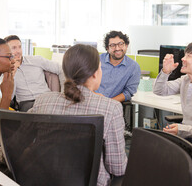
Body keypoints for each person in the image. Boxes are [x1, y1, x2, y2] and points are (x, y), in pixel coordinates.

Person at [29, 44, 127, 186]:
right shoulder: (111, 108)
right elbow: (117, 168)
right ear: (95, 73)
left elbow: (16, 141)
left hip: (45, 179)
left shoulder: (43, 100)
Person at [153, 40, 192, 164]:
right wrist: (165, 72)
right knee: (155, 150)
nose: (183, 59)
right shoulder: (185, 80)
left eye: (188, 56)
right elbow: (159, 91)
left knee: (165, 159)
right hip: (187, 137)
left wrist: (182, 129)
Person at [4, 35, 65, 112]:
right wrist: (13, 72)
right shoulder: (5, 70)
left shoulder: (36, 60)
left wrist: (64, 93)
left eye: (20, 47)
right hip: (26, 103)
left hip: (46, 98)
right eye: (14, 48)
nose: (18, 51)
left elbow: (61, 69)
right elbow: (10, 97)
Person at [96, 31, 141, 102]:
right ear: (107, 48)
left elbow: (128, 92)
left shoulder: (133, 67)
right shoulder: (97, 60)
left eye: (121, 44)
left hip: (112, 106)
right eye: (113, 45)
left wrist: (108, 103)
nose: (117, 48)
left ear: (126, 45)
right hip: (92, 102)